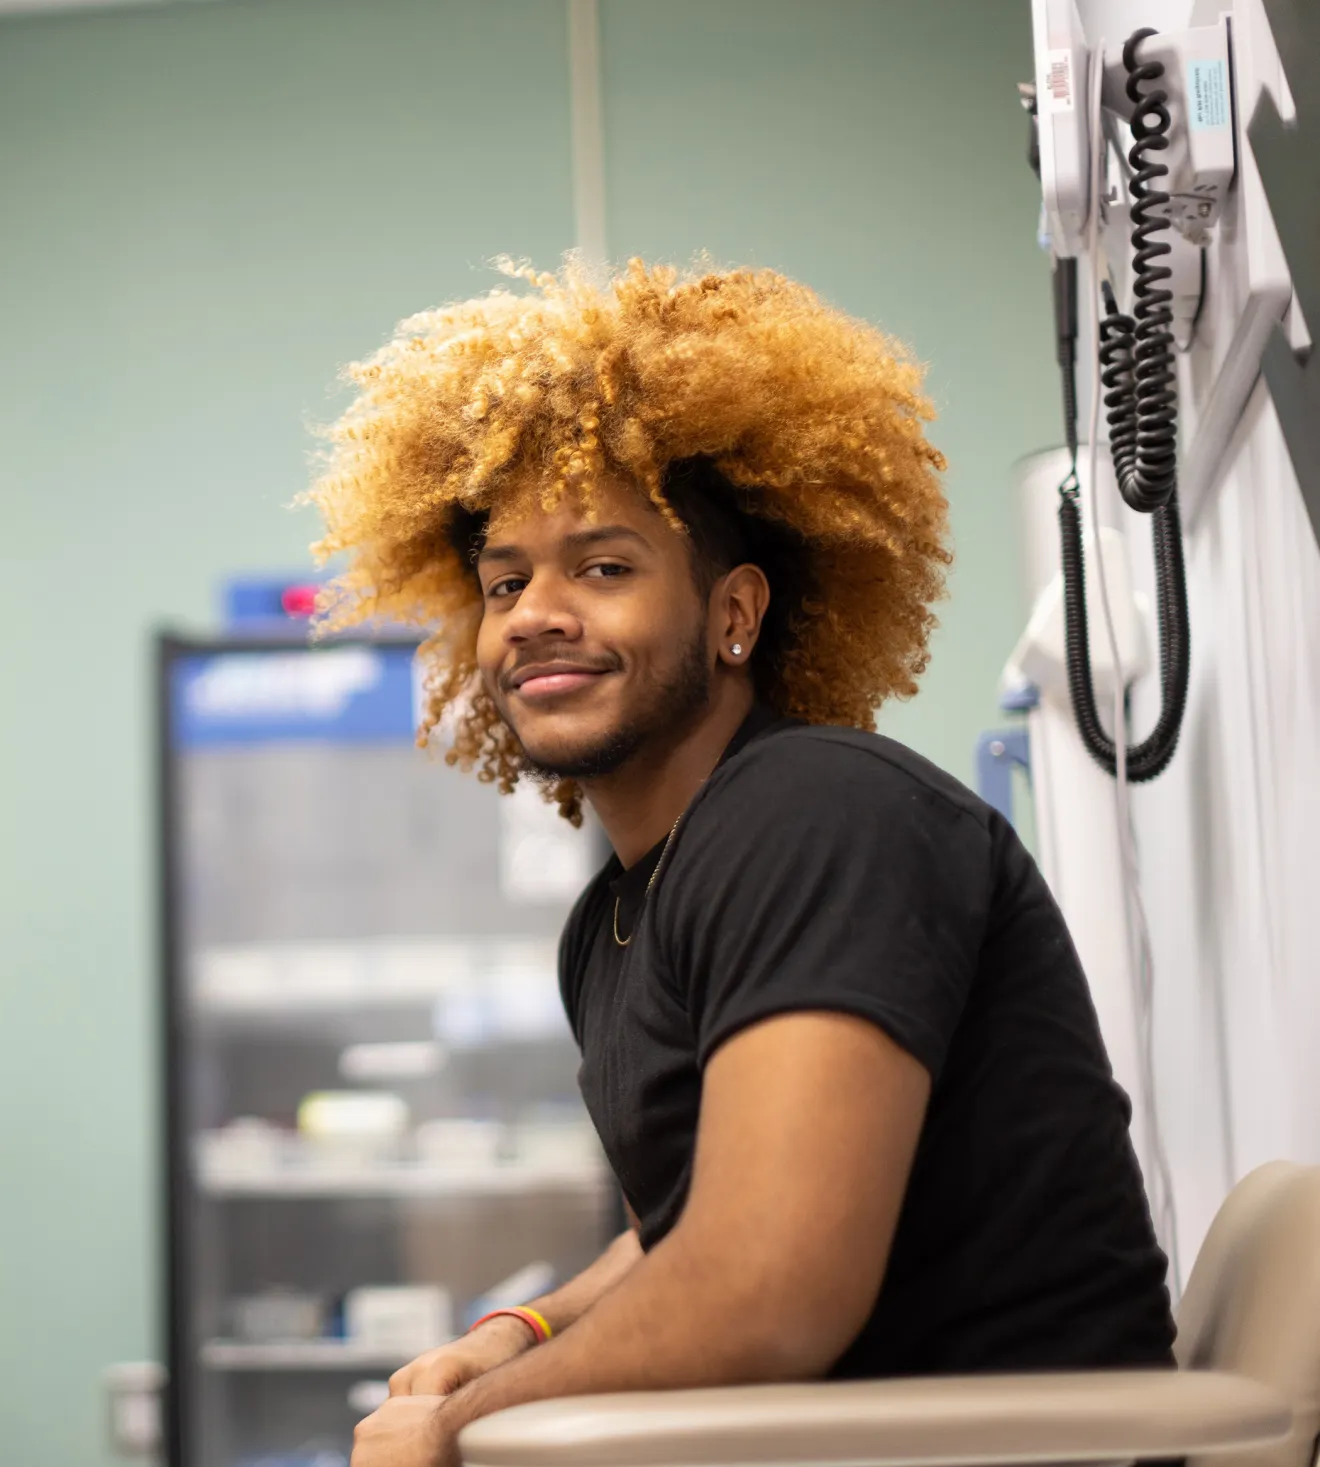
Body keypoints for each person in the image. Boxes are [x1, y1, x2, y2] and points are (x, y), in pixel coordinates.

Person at [306, 262, 1175, 1467]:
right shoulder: (617, 915)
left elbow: (767, 1291)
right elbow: (682, 1237)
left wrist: (456, 1427)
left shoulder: (818, 813)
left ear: (734, 615)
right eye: (504, 582)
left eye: (602, 568)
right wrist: (518, 1331)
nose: (533, 613)